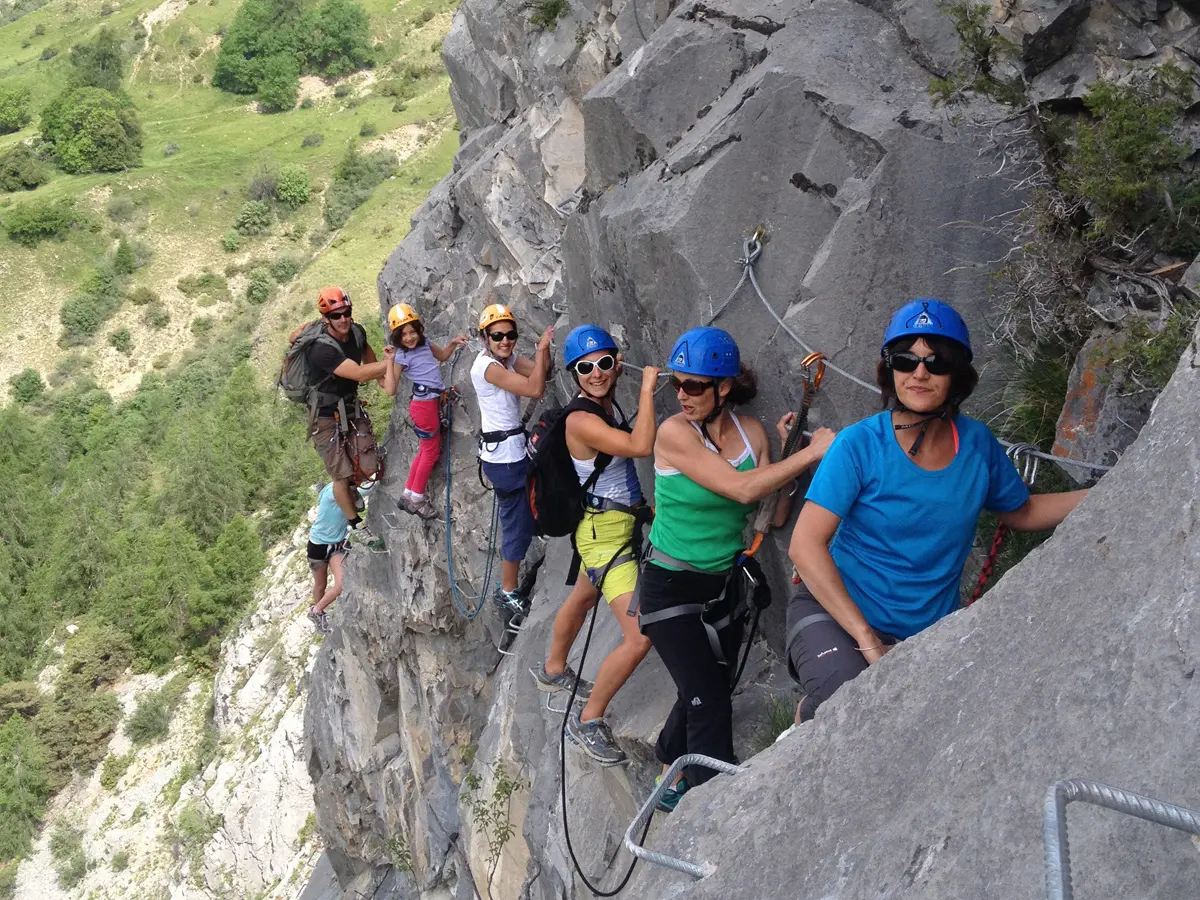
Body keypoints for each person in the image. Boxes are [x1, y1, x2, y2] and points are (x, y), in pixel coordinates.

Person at [786, 299, 1088, 726]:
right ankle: (802, 725)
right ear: (890, 370)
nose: (920, 372)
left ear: (957, 374)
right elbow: (805, 544)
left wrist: (1105, 493)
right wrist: (867, 640)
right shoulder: (859, 444)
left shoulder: (977, 445)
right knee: (843, 698)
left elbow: (1022, 512)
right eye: (906, 359)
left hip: (925, 630)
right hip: (834, 613)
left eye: (937, 361)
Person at [638, 326, 835, 811]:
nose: (682, 395)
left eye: (695, 386)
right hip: (668, 584)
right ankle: (716, 807)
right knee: (709, 696)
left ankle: (668, 771)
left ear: (724, 387)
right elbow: (744, 490)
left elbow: (775, 512)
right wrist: (812, 452)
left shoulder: (751, 435)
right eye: (676, 384)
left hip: (720, 584)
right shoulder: (673, 434)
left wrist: (790, 454)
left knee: (706, 685)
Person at [528, 325, 660, 766]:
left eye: (605, 362)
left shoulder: (602, 405)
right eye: (586, 367)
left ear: (615, 362)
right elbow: (640, 446)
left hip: (603, 529)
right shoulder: (582, 419)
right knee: (639, 638)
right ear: (573, 374)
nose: (597, 373)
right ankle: (587, 720)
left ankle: (552, 669)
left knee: (585, 595)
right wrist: (646, 389)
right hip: (605, 537)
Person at [469, 303, 553, 614]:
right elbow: (535, 388)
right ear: (485, 338)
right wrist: (542, 350)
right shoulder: (487, 368)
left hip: (511, 452)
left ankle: (537, 532)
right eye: (497, 336)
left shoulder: (506, 359)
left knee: (525, 510)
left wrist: (542, 358)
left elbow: (540, 373)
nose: (505, 341)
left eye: (510, 335)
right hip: (503, 459)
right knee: (515, 522)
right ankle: (507, 590)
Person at [298, 286, 389, 548]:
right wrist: (402, 360)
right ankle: (355, 524)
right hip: (324, 417)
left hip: (350, 407)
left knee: (369, 466)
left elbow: (372, 366)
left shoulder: (357, 332)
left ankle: (351, 486)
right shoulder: (320, 348)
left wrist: (390, 380)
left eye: (346, 312)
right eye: (336, 315)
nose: (343, 319)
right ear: (326, 319)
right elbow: (360, 374)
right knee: (340, 473)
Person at [381, 302, 468, 520]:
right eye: (403, 334)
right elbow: (391, 389)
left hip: (426, 404)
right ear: (397, 338)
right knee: (431, 452)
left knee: (424, 450)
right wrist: (390, 362)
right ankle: (417, 498)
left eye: (412, 332)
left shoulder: (426, 344)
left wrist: (453, 343)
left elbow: (443, 357)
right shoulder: (401, 356)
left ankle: (409, 492)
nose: (409, 338)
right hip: (424, 405)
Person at [307, 482, 353, 634]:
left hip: (336, 545)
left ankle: (317, 610)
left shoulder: (339, 489)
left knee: (341, 584)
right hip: (318, 546)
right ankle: (318, 613)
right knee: (321, 585)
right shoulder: (332, 493)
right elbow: (361, 492)